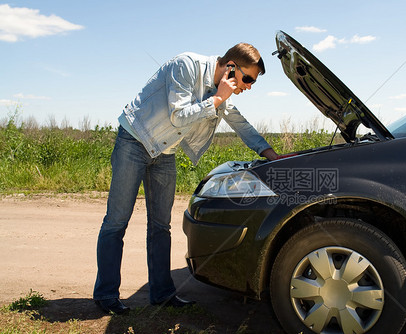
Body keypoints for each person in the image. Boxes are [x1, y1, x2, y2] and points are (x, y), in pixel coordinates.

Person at [93, 43, 279, 314]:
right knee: (116, 221)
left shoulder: (220, 91)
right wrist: (217, 99)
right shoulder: (186, 65)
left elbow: (239, 123)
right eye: (248, 78)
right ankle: (106, 295)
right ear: (230, 67)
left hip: (164, 151)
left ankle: (162, 294)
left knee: (160, 226)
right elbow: (178, 116)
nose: (249, 86)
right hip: (134, 141)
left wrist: (271, 154)